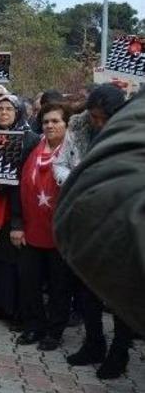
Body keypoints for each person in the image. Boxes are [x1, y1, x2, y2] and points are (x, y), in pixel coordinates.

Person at [53, 84, 133, 379]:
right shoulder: (77, 128)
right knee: (87, 289)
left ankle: (120, 351)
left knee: (120, 294)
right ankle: (93, 342)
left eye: (103, 118)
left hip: (122, 224)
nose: (98, 123)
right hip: (86, 220)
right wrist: (77, 179)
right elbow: (60, 165)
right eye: (94, 117)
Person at [14, 102, 73, 351]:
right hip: (31, 229)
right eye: (46, 121)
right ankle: (34, 326)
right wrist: (17, 224)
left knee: (60, 286)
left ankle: (55, 331)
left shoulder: (74, 153)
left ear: (67, 124)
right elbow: (18, 188)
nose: (49, 125)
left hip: (61, 233)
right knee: (30, 282)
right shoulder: (32, 148)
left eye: (55, 121)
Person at [0, 95, 39, 331]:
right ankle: (1, 305)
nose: (3, 113)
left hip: (17, 209)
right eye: (0, 109)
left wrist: (0, 184)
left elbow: (27, 176)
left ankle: (19, 312)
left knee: (16, 263)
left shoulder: (30, 139)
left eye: (8, 109)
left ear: (19, 112)